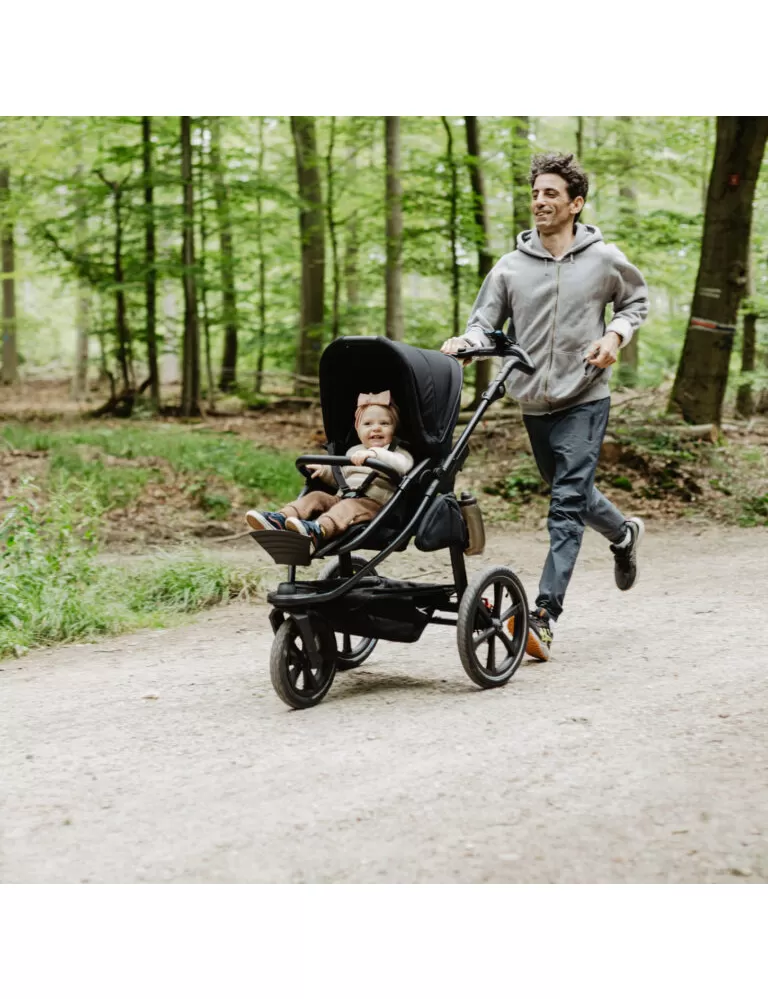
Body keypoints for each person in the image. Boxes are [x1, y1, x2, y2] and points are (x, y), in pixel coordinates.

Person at [441, 152, 649, 663]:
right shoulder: (511, 267)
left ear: (576, 204)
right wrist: (467, 345)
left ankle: (544, 616)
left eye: (551, 193)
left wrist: (614, 337)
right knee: (566, 490)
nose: (540, 201)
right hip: (533, 400)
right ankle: (623, 533)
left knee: (566, 504)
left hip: (586, 396)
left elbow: (635, 303)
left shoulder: (604, 259)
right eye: (535, 193)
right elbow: (484, 324)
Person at [245, 391, 413, 549]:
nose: (376, 428)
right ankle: (281, 518)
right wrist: (325, 472)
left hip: (375, 507)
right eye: (368, 424)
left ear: (394, 428)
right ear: (358, 429)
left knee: (347, 507)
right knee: (317, 497)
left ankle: (318, 531)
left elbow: (402, 465)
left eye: (384, 423)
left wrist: (376, 454)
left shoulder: (398, 453)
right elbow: (341, 478)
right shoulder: (353, 451)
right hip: (343, 496)